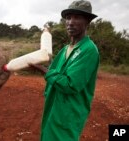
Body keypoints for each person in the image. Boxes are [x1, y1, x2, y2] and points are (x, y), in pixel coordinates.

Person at [30, 0, 100, 140]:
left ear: (87, 22)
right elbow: (54, 69)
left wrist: (43, 70)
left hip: (69, 111)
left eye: (77, 17)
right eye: (68, 17)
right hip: (54, 105)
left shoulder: (89, 50)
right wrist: (40, 60)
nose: (70, 22)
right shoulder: (64, 50)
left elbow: (70, 85)